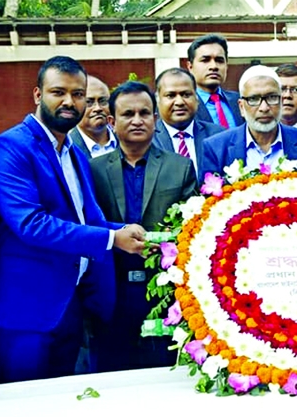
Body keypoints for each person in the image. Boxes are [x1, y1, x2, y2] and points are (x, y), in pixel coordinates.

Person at [0, 56, 148, 384]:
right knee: (23, 405)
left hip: (68, 305)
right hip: (26, 313)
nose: (69, 102)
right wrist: (112, 239)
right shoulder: (9, 148)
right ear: (36, 94)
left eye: (78, 94)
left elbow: (92, 220)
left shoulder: (73, 152)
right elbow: (31, 224)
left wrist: (135, 235)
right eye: (58, 92)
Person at [89, 81, 196, 372]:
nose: (137, 120)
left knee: (162, 372)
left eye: (145, 113)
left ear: (155, 119)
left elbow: (191, 229)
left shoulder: (180, 167)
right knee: (112, 374)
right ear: (111, 121)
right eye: (128, 114)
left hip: (163, 291)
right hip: (111, 289)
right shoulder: (93, 169)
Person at [199, 65, 297, 178]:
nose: (264, 108)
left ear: (281, 102)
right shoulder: (216, 148)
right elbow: (209, 201)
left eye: (272, 98)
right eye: (253, 99)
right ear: (241, 107)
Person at [151, 68, 225, 180]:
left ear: (197, 99)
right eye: (170, 95)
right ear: (158, 100)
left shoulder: (219, 136)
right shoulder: (147, 140)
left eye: (186, 95)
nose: (179, 102)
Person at [187, 34, 243, 128]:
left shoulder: (239, 100)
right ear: (190, 67)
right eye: (205, 60)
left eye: (219, 60)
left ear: (226, 65)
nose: (214, 66)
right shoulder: (184, 106)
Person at [69, 76, 118, 159]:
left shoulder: (127, 142)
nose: (97, 108)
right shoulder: (67, 148)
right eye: (89, 102)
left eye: (102, 101)